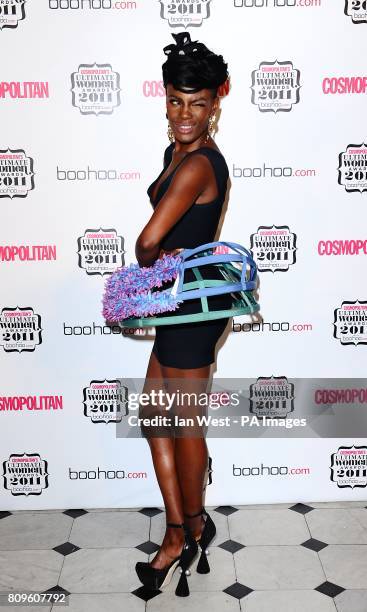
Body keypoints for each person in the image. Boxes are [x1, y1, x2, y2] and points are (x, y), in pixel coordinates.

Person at [134, 32, 231, 597]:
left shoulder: (197, 165)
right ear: (166, 98)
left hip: (191, 311)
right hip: (181, 304)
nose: (185, 115)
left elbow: (148, 244)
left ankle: (184, 533)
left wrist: (158, 256)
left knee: (183, 424)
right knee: (155, 416)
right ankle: (185, 525)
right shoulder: (177, 153)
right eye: (176, 102)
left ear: (216, 101)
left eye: (197, 104)